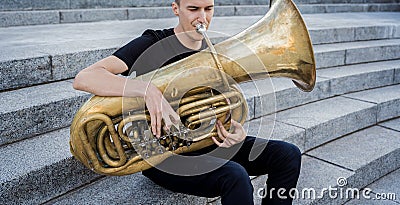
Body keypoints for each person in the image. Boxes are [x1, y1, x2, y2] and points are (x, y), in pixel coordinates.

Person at [73, 0, 301, 204]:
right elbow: (85, 78)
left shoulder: (212, 52)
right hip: (162, 156)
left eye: (208, 9)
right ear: (176, 9)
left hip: (207, 143)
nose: (202, 17)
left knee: (288, 155)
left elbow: (224, 105)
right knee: (235, 177)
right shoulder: (152, 43)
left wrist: (234, 130)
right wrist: (146, 90)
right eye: (193, 9)